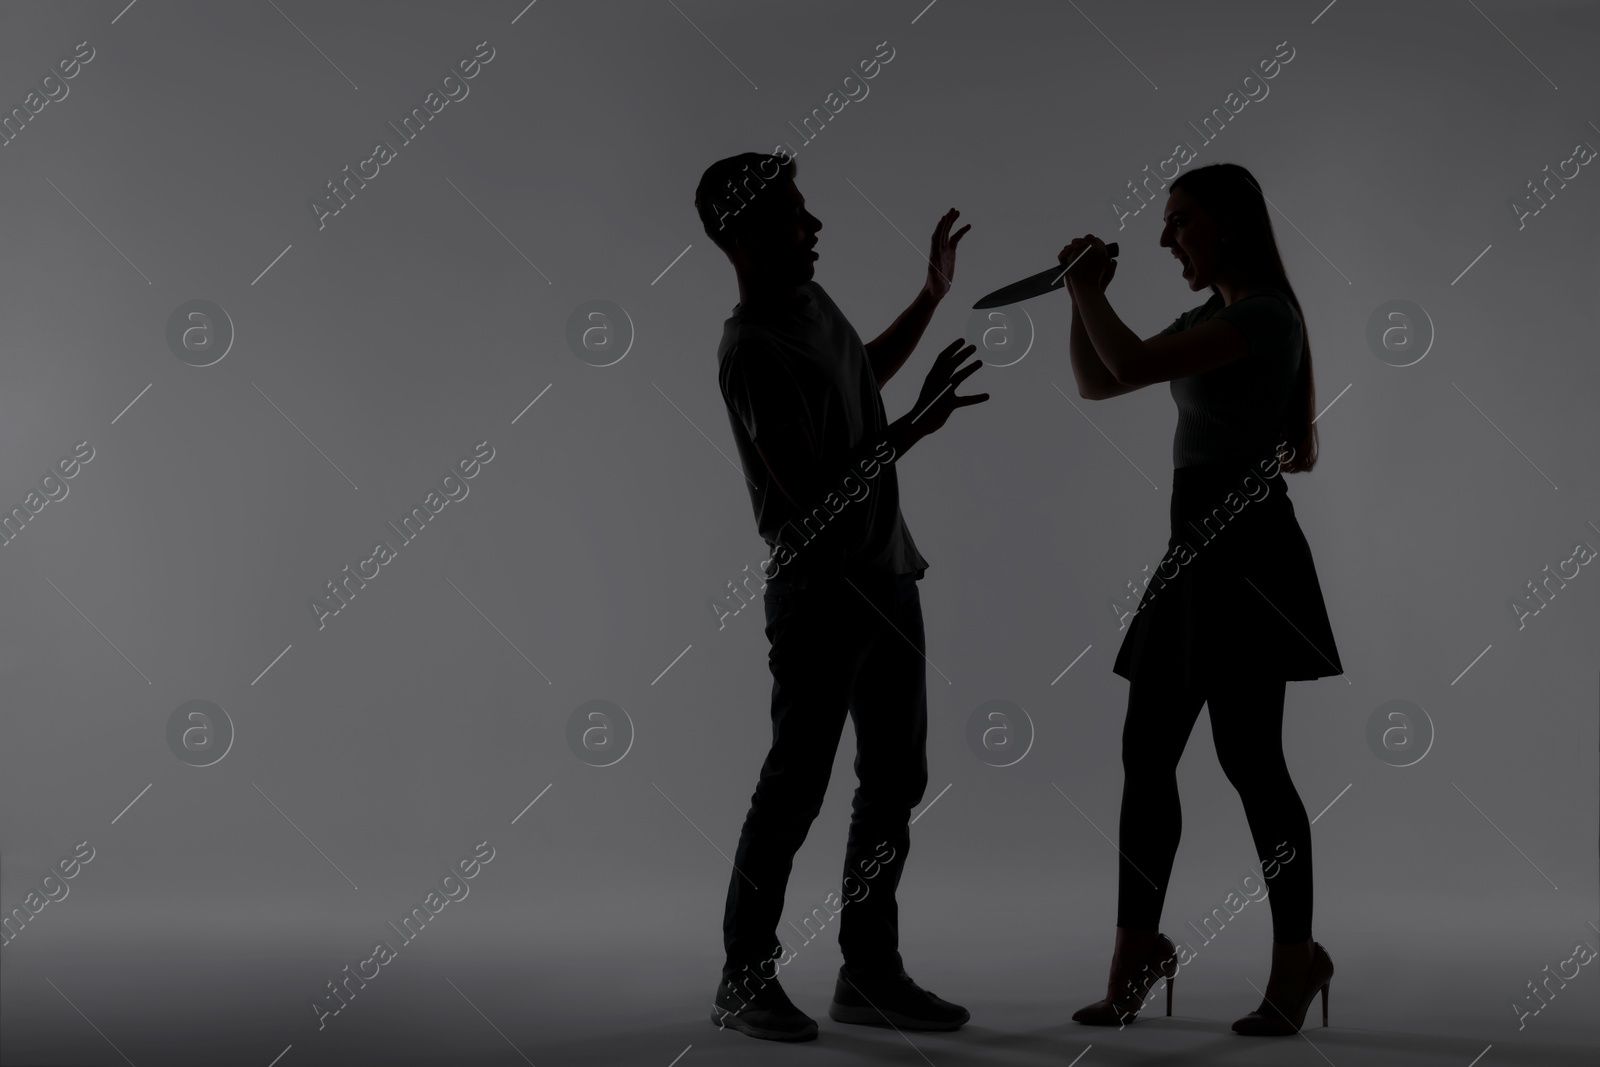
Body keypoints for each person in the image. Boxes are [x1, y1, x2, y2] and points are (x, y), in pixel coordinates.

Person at [692, 151, 986, 1043]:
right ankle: (744, 979)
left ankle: (869, 972)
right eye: (792, 213)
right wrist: (914, 431)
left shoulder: (813, 307)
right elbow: (813, 495)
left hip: (890, 578)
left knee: (895, 778)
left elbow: (860, 373)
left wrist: (930, 297)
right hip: (819, 596)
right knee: (795, 789)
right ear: (738, 234)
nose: (814, 226)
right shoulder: (749, 348)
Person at [1061, 162, 1341, 1036]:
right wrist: (1083, 301)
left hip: (1250, 557)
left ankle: (1297, 961)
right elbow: (1100, 380)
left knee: (1252, 764)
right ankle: (1134, 954)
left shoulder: (1262, 315)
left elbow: (1133, 362)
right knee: (1147, 755)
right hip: (1194, 554)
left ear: (1228, 226)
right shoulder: (1215, 314)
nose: (1164, 238)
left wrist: (1086, 291)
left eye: (1179, 221)